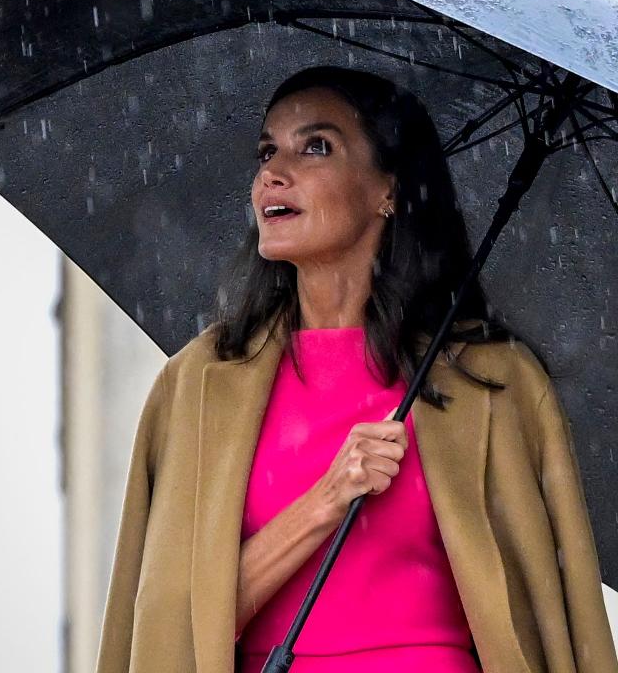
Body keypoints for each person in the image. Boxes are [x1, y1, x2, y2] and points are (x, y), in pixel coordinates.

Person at [97, 65, 615, 673]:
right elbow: (174, 631)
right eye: (267, 151)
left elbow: (552, 618)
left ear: (387, 191)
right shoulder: (199, 382)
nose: (273, 172)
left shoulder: (493, 379)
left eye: (315, 146)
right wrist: (326, 500)